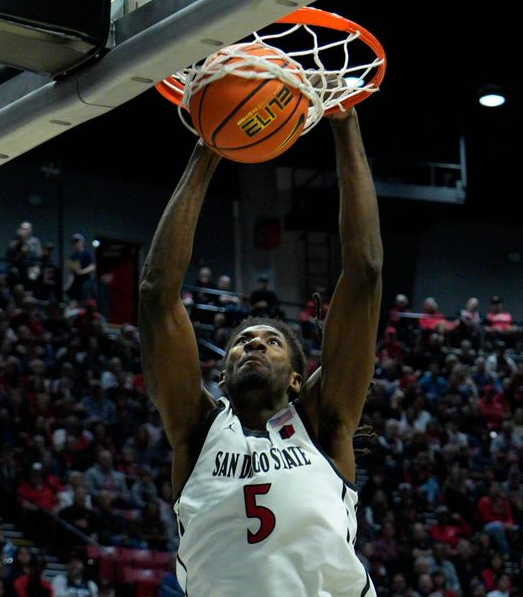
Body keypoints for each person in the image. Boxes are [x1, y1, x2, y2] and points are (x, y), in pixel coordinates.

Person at [139, 108, 382, 596]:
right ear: (222, 377)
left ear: (296, 378)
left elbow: (365, 270)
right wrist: (209, 146)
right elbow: (155, 293)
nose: (253, 343)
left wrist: (345, 123)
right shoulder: (197, 430)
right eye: (241, 342)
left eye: (272, 342)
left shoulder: (324, 424)